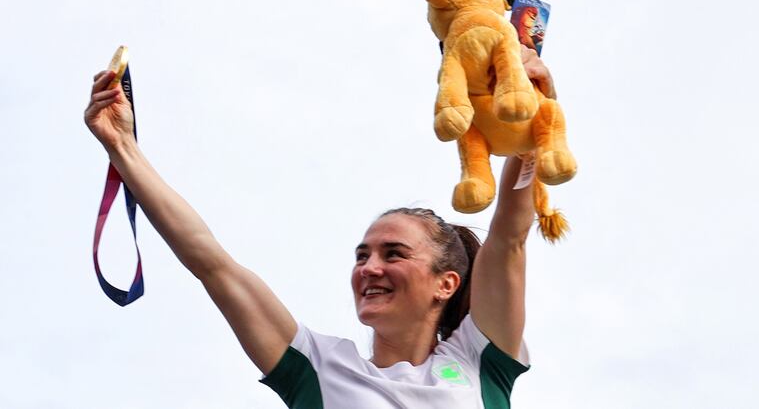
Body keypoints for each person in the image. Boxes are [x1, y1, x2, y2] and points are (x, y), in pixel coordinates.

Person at [84, 45, 557, 408]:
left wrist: (533, 109)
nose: (369, 268)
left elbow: (510, 236)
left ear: (446, 283)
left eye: (393, 253)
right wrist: (122, 147)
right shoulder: (317, 368)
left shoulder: (478, 359)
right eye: (362, 255)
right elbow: (212, 263)